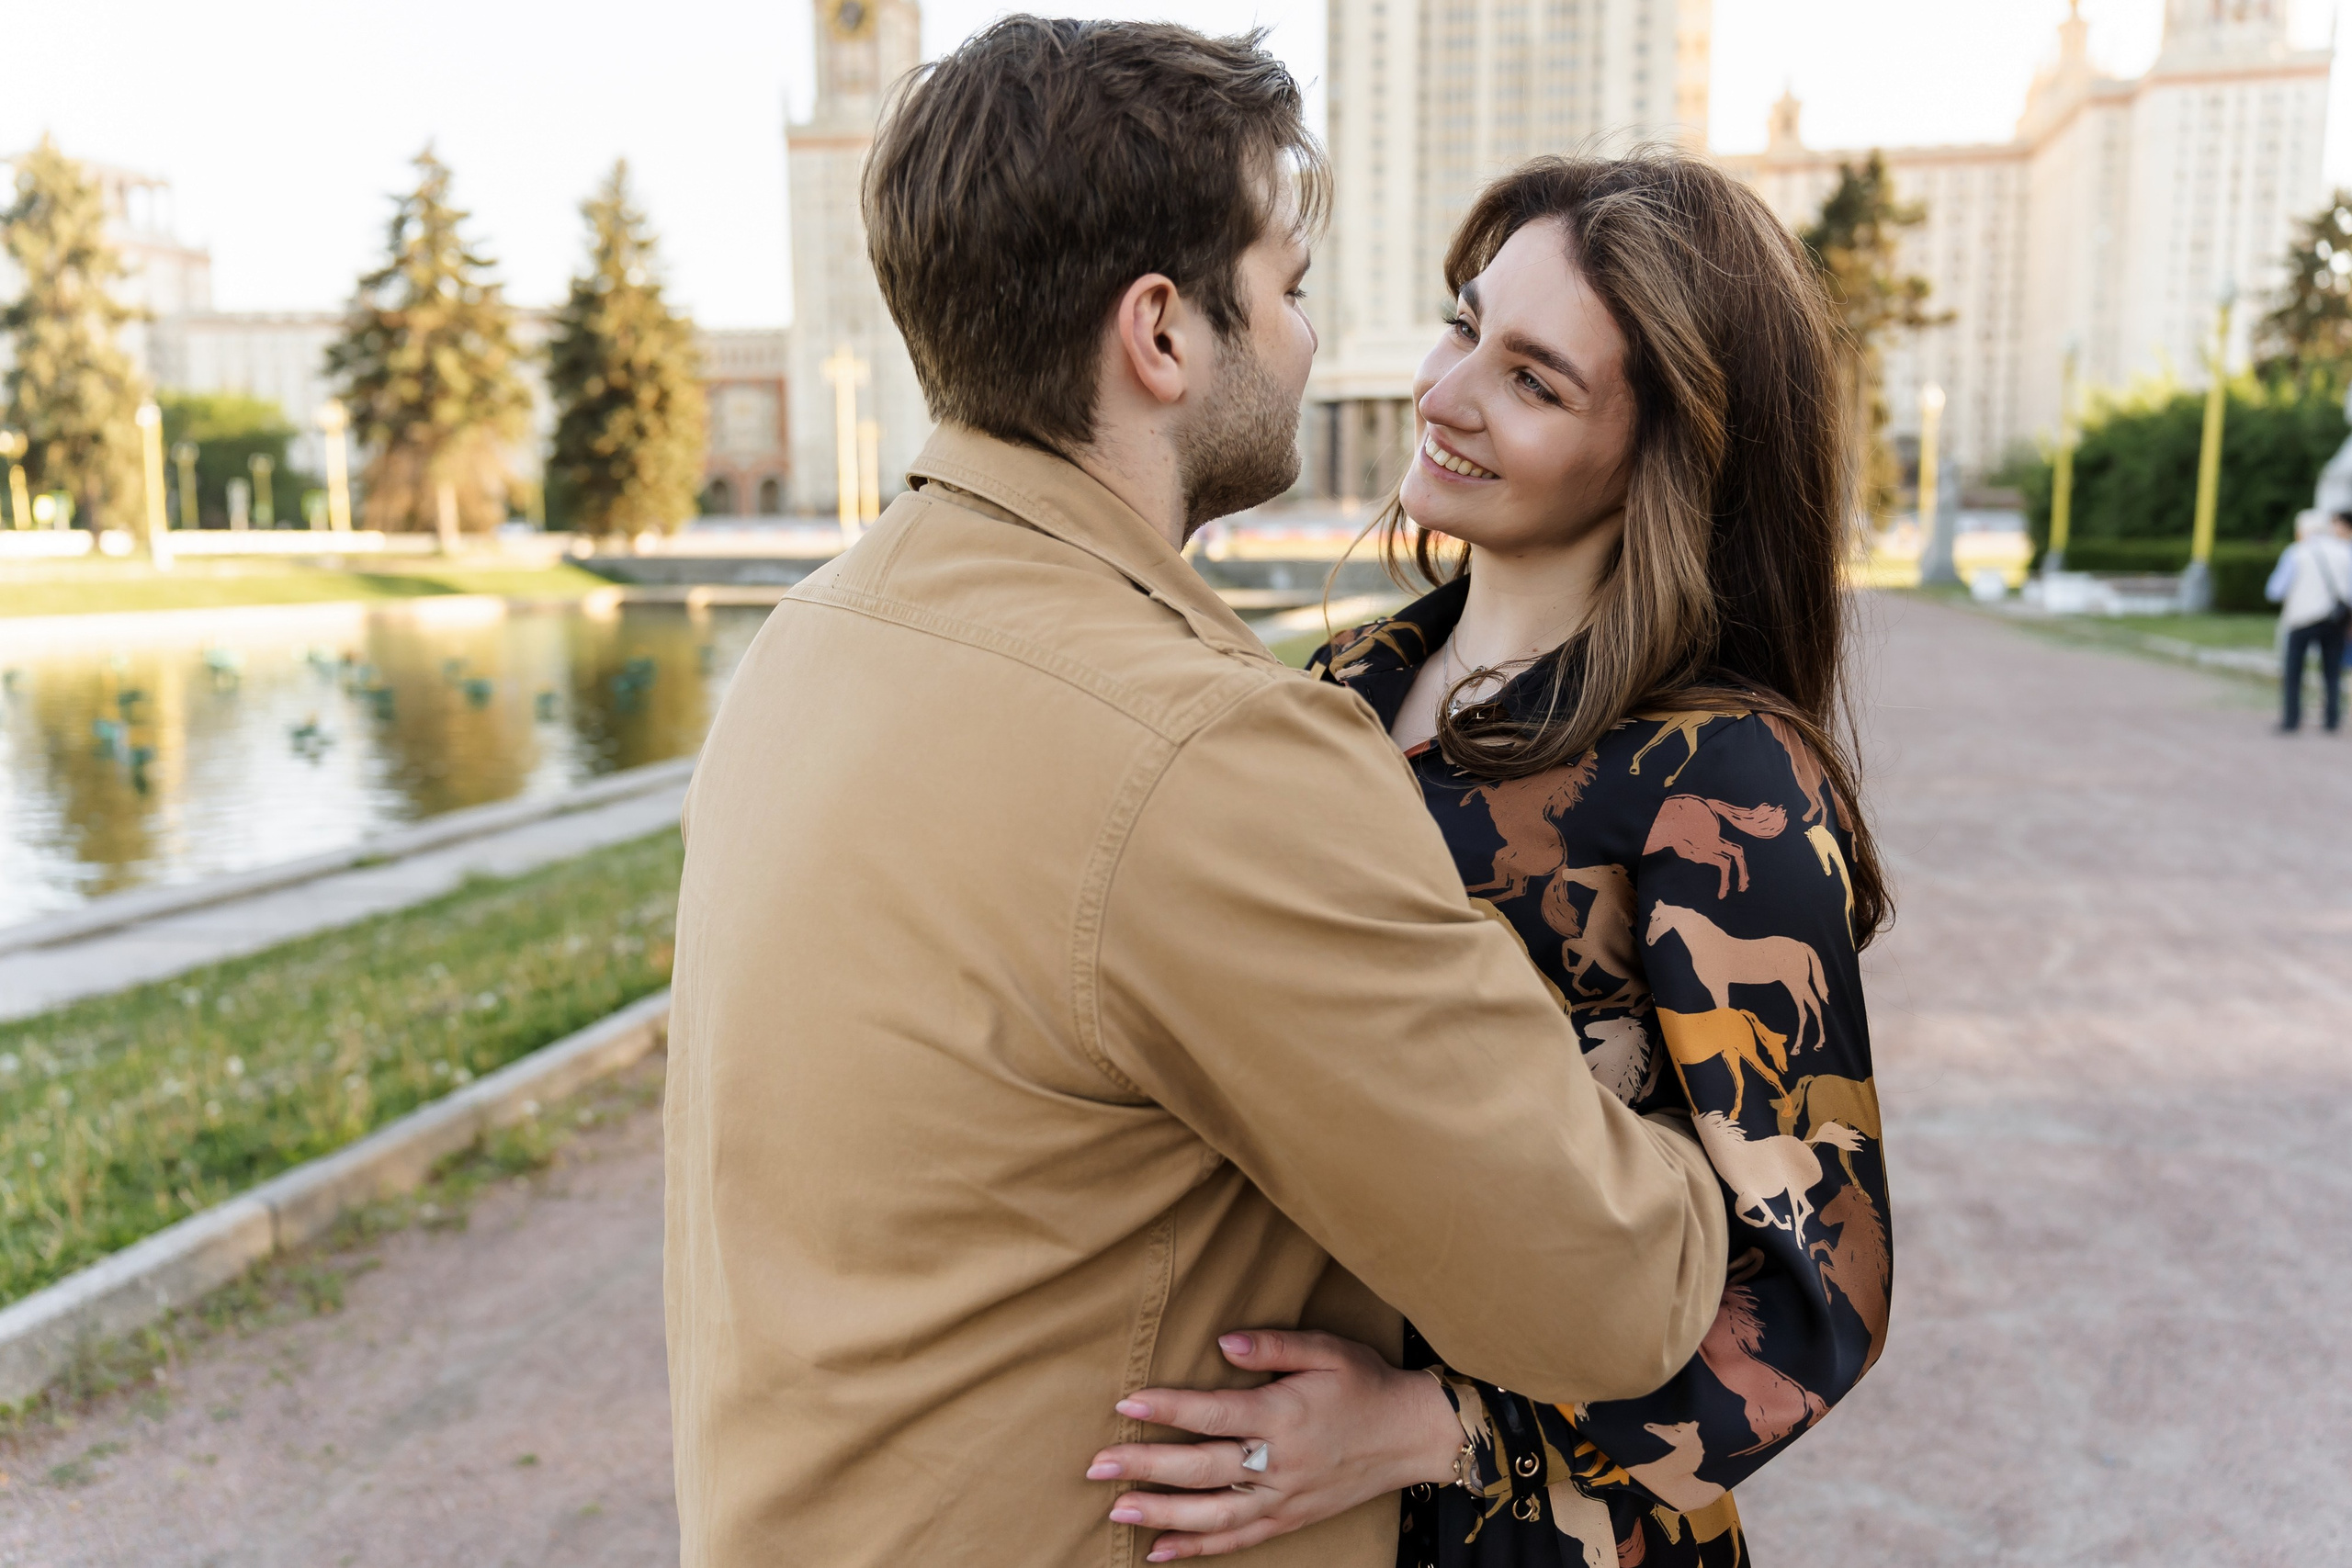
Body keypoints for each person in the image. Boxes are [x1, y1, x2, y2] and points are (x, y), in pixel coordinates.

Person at [663, 23, 1730, 1568]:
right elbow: (1619, 1291)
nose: (1311, 340)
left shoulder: (809, 646)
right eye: (1288, 288)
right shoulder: (1201, 755)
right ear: (1161, 334)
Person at [1090, 155, 1891, 1566]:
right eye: (1463, 324)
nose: (1443, 392)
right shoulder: (1334, 688)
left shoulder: (1720, 775)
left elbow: (1818, 1299)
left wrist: (1429, 1427)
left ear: (1666, 451)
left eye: (1534, 380)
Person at [2266, 509, 2352, 732]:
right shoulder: (2344, 552)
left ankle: (2291, 719)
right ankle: (2332, 719)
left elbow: (2275, 590)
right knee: (2332, 671)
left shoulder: (2296, 553)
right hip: (2334, 619)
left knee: (2294, 671)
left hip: (2301, 618)